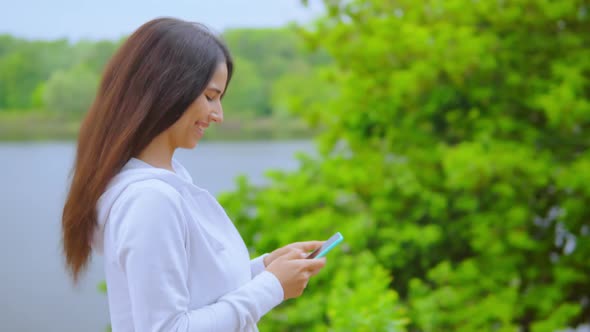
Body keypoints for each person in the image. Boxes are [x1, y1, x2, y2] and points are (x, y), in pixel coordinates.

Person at [61, 17, 326, 332]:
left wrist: (265, 270)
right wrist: (271, 287)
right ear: (168, 89)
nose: (219, 115)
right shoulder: (150, 200)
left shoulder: (168, 183)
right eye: (211, 97)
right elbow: (168, 328)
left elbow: (199, 296)